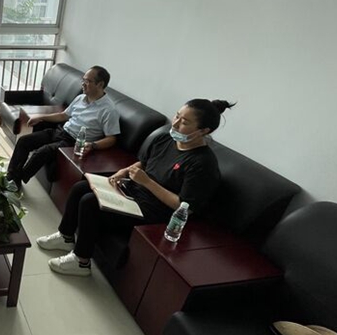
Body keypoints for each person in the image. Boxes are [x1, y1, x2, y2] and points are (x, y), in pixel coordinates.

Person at [37, 99, 235, 276]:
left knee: (90, 203)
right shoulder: (166, 139)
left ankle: (81, 261)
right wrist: (124, 171)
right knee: (81, 187)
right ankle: (65, 237)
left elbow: (183, 206)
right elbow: (145, 163)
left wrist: (147, 182)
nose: (175, 123)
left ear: (203, 131)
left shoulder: (203, 164)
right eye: (177, 116)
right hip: (134, 191)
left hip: (155, 211)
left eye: (184, 122)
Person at [6, 66, 120, 188]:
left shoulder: (109, 110)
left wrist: (93, 145)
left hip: (73, 142)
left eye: (87, 81)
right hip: (60, 131)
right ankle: (11, 177)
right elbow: (63, 115)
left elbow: (112, 138)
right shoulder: (80, 98)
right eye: (83, 80)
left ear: (100, 84)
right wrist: (41, 117)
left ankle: (16, 181)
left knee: (41, 153)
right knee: (24, 141)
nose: (83, 84)